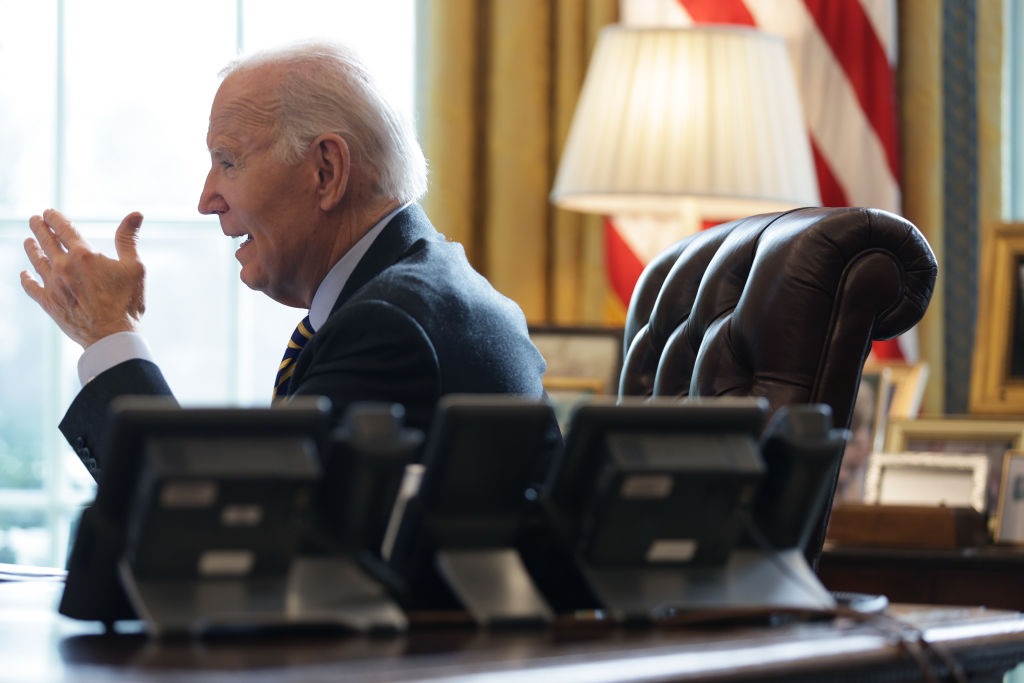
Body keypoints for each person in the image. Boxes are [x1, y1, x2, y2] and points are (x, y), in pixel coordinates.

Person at [20, 42, 550, 481]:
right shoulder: (419, 290)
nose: (207, 200)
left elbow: (223, 534)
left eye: (228, 162)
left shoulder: (391, 326)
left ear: (326, 171)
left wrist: (110, 335)